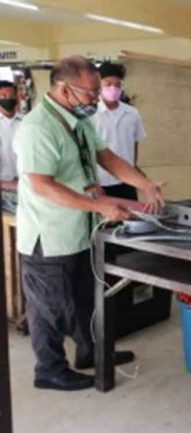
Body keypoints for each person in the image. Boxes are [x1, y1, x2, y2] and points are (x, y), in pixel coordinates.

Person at [14, 56, 165, 391]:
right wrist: (100, 206)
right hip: (49, 235)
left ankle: (90, 353)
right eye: (92, 91)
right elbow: (42, 185)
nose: (98, 97)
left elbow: (107, 157)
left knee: (85, 299)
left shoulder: (79, 121)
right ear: (65, 88)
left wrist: (145, 183)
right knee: (49, 307)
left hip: (79, 232)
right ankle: (49, 369)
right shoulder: (38, 127)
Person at [92, 61, 146, 200]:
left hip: (127, 181)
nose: (113, 88)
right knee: (105, 221)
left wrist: (136, 173)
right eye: (108, 84)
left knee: (131, 219)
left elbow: (134, 144)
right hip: (100, 182)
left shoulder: (131, 113)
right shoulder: (91, 113)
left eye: (117, 85)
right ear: (99, 85)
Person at [0, 80, 21, 191]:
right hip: (4, 185)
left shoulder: (26, 122)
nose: (8, 99)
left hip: (26, 183)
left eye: (11, 95)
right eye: (3, 96)